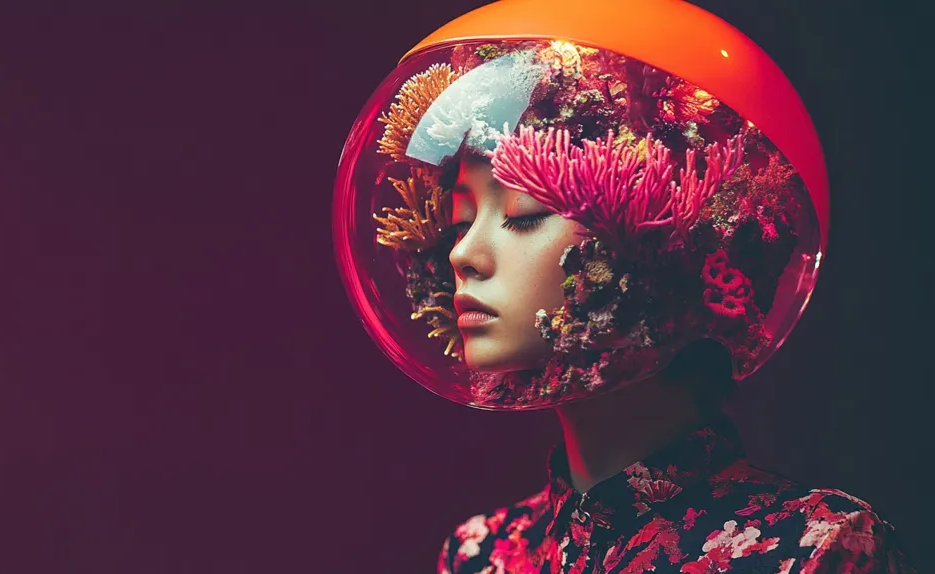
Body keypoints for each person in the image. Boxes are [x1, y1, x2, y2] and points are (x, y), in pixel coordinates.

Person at [331, 2, 916, 571]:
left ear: (653, 243)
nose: (463, 253)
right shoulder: (481, 553)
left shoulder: (810, 547)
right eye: (460, 222)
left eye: (525, 214)